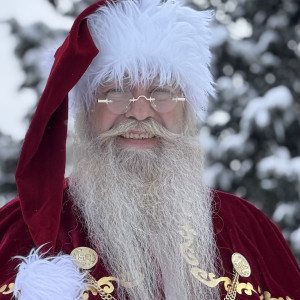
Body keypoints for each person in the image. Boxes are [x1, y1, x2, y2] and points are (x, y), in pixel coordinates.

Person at [0, 0, 299, 299]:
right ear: (87, 111)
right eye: (116, 91)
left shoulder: (252, 231)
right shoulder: (14, 232)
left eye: (162, 92)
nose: (141, 113)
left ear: (187, 114)